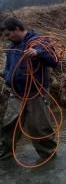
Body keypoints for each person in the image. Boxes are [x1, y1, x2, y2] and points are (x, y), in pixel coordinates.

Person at [0, 18, 59, 162]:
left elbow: (54, 61)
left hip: (35, 94)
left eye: (8, 34)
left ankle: (48, 158)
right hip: (16, 93)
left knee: (39, 128)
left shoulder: (39, 40)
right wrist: (7, 76)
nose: (7, 38)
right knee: (9, 125)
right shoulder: (12, 47)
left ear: (17, 29)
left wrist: (38, 53)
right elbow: (8, 67)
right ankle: (4, 156)